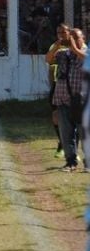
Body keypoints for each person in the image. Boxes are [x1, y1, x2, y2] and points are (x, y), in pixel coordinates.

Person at [50, 28, 86, 171]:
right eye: (71, 37)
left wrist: (74, 47)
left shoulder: (86, 51)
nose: (73, 40)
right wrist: (58, 45)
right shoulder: (64, 53)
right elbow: (49, 59)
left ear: (83, 38)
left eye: (76, 37)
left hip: (82, 100)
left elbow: (83, 57)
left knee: (85, 133)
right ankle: (71, 162)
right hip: (63, 98)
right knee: (66, 133)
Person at [47, 24, 71, 158]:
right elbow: (49, 62)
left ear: (69, 33)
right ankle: (62, 144)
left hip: (74, 85)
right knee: (56, 115)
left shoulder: (76, 45)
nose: (61, 35)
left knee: (73, 117)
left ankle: (70, 147)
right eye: (58, 32)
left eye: (63, 32)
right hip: (58, 84)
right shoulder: (55, 46)